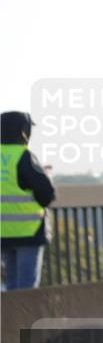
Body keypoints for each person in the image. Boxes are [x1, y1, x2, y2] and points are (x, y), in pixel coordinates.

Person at [1, 111, 56, 290]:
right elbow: (47, 195)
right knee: (27, 290)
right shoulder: (24, 156)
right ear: (24, 132)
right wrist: (47, 175)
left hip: (3, 233)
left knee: (11, 288)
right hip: (28, 232)